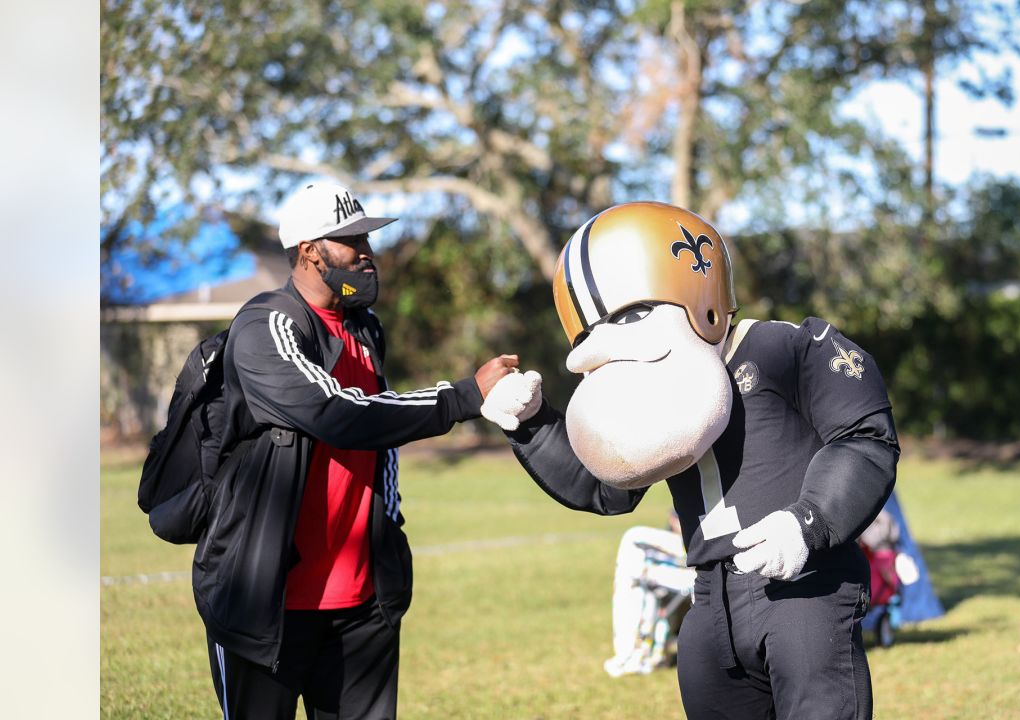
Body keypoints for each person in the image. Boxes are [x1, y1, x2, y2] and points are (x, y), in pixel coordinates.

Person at [483, 201, 900, 719]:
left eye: (631, 316)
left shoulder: (785, 348)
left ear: (698, 295)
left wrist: (807, 523)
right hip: (708, 601)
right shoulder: (654, 390)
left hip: (804, 590)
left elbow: (864, 437)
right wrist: (532, 425)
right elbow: (606, 487)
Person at [193, 180, 521, 719]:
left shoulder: (366, 329)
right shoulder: (264, 323)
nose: (367, 256)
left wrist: (389, 532)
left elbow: (380, 433)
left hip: (361, 606)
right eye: (352, 243)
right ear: (308, 252)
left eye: (368, 241)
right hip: (264, 605)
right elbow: (335, 413)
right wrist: (463, 397)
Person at [604, 511, 696, 677]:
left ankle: (635, 655)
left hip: (702, 561)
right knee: (641, 573)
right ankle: (644, 652)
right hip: (686, 572)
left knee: (634, 539)